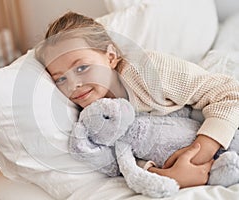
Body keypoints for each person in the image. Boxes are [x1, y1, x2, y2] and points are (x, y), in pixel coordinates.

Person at [35, 11, 239, 188]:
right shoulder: (94, 116)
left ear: (111, 57)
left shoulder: (149, 71)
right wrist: (161, 173)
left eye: (82, 68)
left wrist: (197, 156)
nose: (73, 85)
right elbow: (124, 156)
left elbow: (229, 93)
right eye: (60, 79)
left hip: (213, 82)